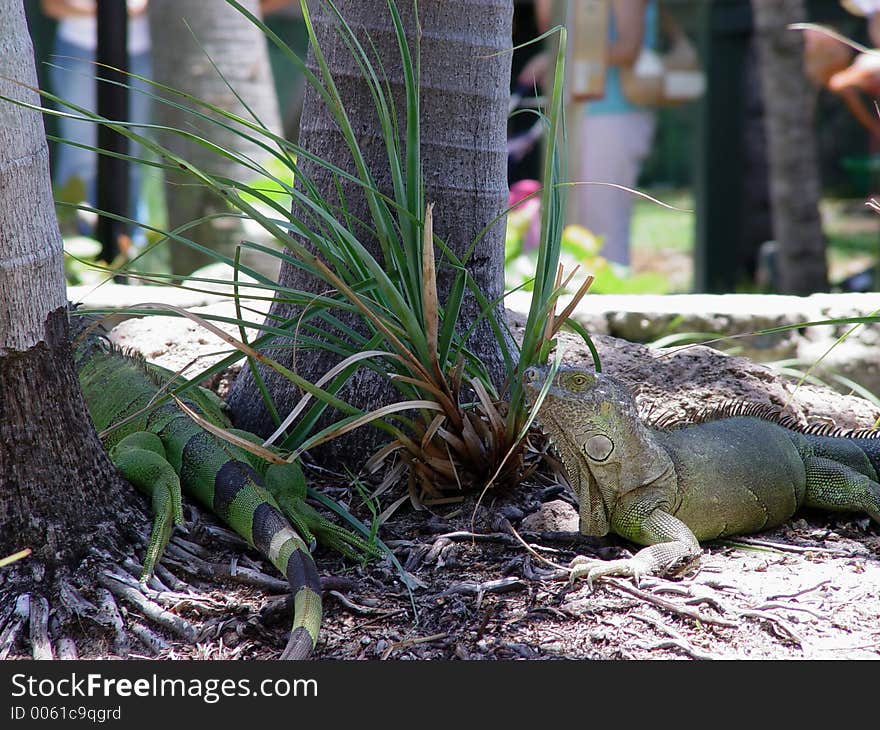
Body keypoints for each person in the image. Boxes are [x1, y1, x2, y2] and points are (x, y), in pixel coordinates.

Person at [521, 0, 659, 268]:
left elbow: (629, 48)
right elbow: (550, 27)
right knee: (566, 226)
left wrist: (559, 57)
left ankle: (614, 305)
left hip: (613, 115)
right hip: (573, 113)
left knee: (603, 230)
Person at [41, 0, 152, 245]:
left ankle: (131, 248)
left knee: (132, 157)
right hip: (78, 51)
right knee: (80, 156)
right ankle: (76, 247)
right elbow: (52, 5)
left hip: (140, 54)